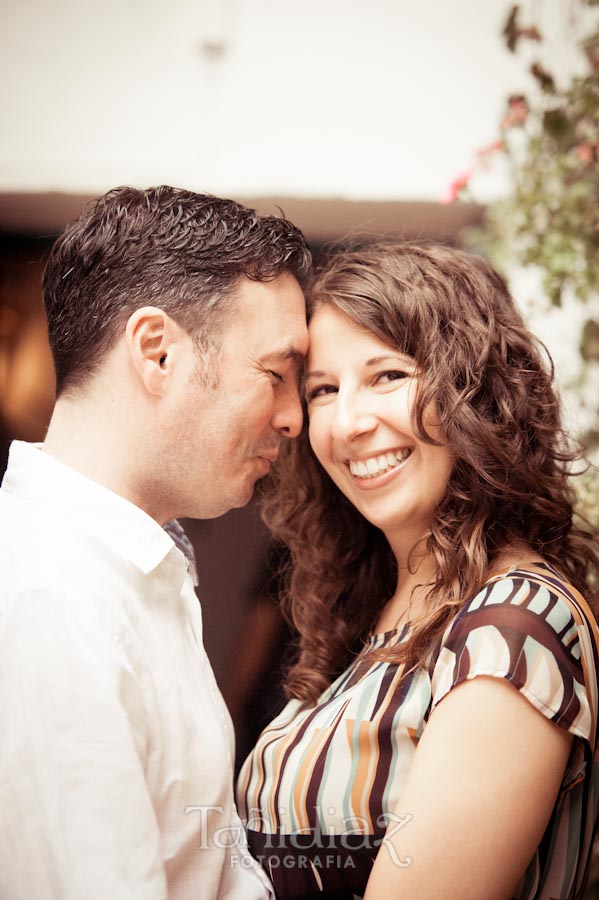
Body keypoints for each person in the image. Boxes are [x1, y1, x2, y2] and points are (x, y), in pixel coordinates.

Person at [237, 240, 599, 900]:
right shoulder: (372, 608)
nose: (347, 422)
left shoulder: (511, 627)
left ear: (476, 394)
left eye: (388, 377)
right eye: (323, 389)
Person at [0, 185, 312, 900]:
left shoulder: (127, 570)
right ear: (157, 352)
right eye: (276, 374)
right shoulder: (50, 601)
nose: (293, 417)